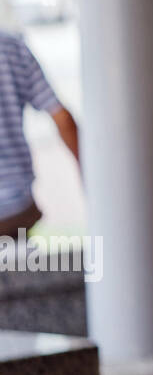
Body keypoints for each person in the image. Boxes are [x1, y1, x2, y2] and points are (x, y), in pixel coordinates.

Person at [0, 29, 79, 239]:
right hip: (16, 209)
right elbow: (63, 118)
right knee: (19, 268)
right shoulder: (11, 47)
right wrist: (89, 179)